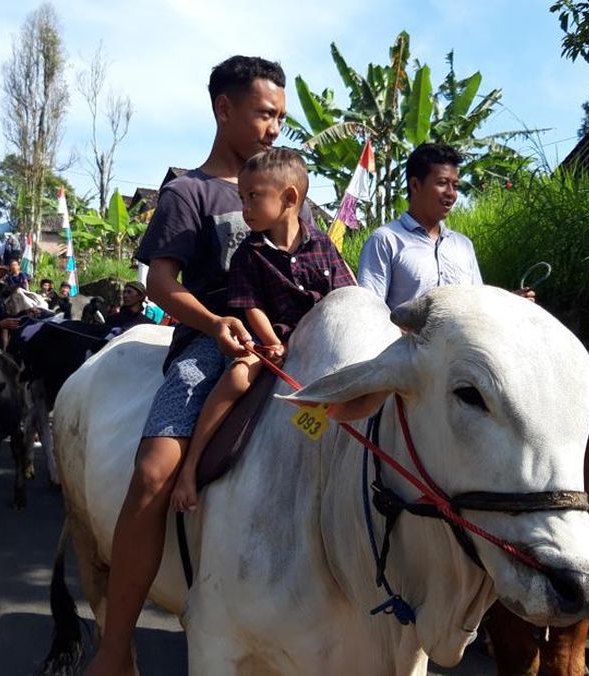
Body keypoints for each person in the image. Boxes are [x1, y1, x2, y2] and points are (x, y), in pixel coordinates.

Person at [86, 54, 289, 675]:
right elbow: (160, 284)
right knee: (152, 474)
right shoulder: (189, 191)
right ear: (223, 108)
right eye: (263, 113)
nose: (273, 128)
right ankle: (116, 647)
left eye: (280, 116)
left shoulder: (288, 183)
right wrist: (215, 324)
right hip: (212, 346)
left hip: (288, 341)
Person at [171, 148, 354, 514]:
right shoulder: (249, 253)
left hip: (321, 337)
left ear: (289, 198)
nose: (244, 207)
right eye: (242, 197)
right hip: (273, 342)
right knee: (238, 378)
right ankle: (189, 468)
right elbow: (249, 305)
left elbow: (347, 294)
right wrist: (271, 341)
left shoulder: (323, 245)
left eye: (253, 196)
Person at [356, 144, 534, 310]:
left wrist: (511, 302)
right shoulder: (385, 241)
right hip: (408, 344)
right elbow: (371, 315)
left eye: (455, 185)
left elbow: (477, 309)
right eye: (442, 183)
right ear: (415, 185)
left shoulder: (463, 245)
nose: (451, 193)